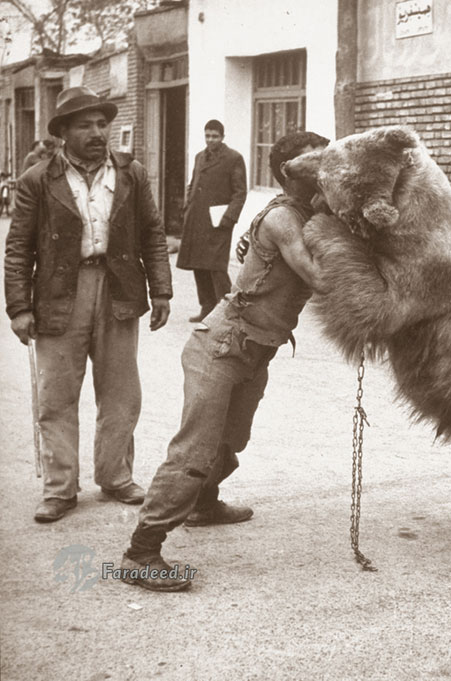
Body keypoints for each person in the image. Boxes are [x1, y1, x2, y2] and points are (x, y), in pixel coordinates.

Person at [120, 130, 330, 591]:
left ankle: (204, 503)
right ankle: (142, 550)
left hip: (257, 348)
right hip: (223, 343)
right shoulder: (283, 219)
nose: (324, 166)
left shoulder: (310, 212)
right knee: (194, 449)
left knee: (232, 438)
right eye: (314, 161)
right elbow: (319, 276)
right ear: (288, 174)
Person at [4, 85, 173, 522]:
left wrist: (162, 290)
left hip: (118, 290)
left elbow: (152, 234)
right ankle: (60, 489)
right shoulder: (37, 180)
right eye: (86, 125)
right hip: (60, 295)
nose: (98, 132)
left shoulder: (130, 172)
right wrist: (19, 307)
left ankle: (115, 477)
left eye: (102, 124)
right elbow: (18, 247)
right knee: (57, 396)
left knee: (121, 392)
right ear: (63, 132)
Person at [176, 119, 247, 322]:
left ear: (222, 137)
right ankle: (206, 307)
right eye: (207, 135)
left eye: (215, 136)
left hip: (218, 222)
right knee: (199, 265)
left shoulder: (233, 158)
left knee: (216, 267)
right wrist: (187, 206)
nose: (211, 140)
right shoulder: (200, 157)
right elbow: (192, 183)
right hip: (197, 219)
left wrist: (228, 218)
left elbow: (240, 192)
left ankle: (227, 311)